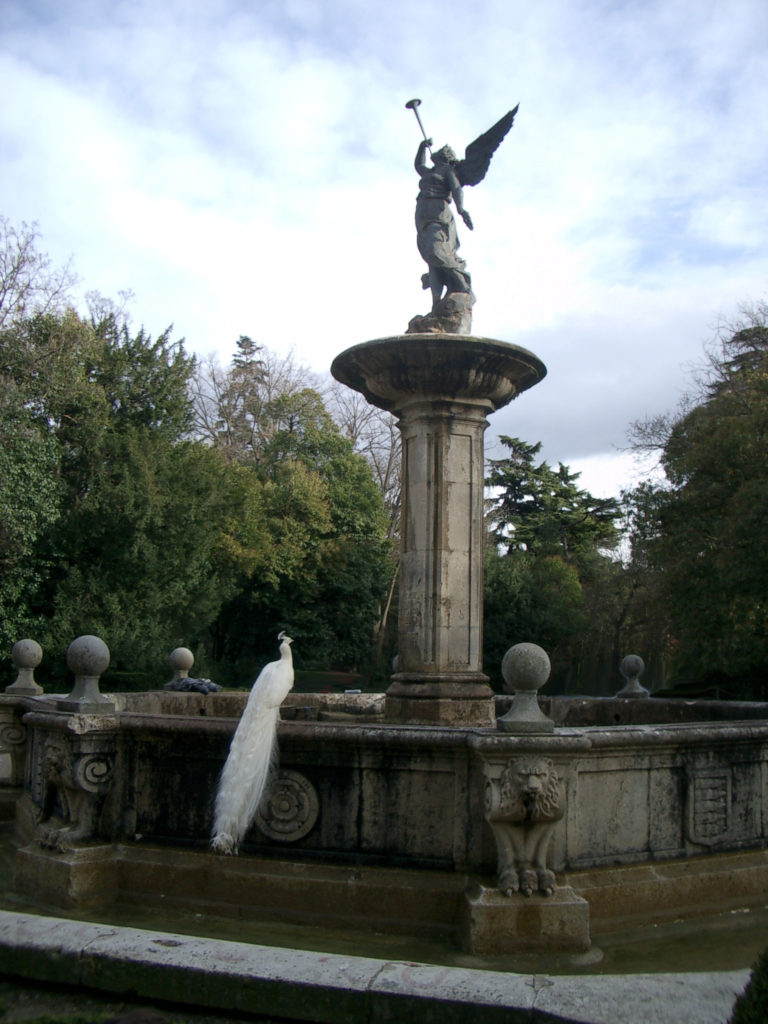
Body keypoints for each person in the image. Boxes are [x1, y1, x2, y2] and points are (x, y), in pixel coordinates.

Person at [414, 139, 475, 309]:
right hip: (423, 217)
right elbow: (419, 166)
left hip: (438, 214)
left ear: (445, 156)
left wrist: (461, 209)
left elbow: (456, 189)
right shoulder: (429, 171)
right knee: (431, 260)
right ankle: (436, 302)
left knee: (436, 252)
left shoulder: (447, 170)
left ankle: (461, 281)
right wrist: (422, 147)